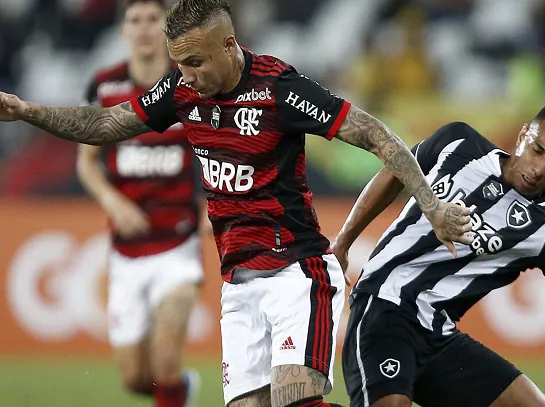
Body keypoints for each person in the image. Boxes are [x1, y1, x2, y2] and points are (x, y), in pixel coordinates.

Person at [0, 0, 473, 406]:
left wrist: (431, 207)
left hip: (297, 272)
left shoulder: (279, 90)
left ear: (228, 46)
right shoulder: (182, 88)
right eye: (179, 64)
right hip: (238, 284)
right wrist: (27, 112)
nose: (186, 76)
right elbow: (106, 125)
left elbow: (374, 134)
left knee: (295, 401)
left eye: (195, 63)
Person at [333, 103, 545, 407]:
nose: (539, 168)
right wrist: (344, 241)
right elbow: (395, 171)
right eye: (537, 150)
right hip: (385, 306)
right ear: (522, 136)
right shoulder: (459, 143)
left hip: (437, 334)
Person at [76, 1, 203, 407]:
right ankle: (182, 390)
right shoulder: (104, 87)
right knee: (136, 380)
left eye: (154, 20)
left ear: (167, 30)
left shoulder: (189, 83)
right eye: (136, 20)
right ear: (123, 30)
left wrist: (207, 207)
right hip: (126, 251)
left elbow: (216, 150)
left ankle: (173, 383)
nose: (145, 28)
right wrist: (114, 203)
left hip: (178, 246)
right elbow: (86, 164)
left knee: (165, 360)